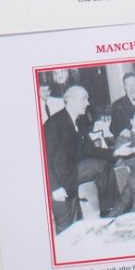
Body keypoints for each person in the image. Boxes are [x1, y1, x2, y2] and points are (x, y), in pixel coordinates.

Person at [43, 86, 121, 233]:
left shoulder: (79, 122)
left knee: (103, 167)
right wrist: (55, 188)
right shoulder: (53, 124)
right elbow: (45, 159)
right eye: (84, 99)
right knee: (68, 230)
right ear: (70, 100)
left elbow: (90, 150)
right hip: (60, 183)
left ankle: (109, 212)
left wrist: (116, 152)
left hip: (72, 173)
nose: (88, 103)